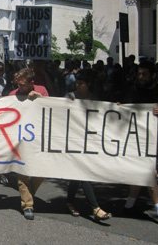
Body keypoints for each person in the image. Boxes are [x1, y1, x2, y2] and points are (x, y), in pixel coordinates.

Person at [122, 61, 158, 227]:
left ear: (153, 75)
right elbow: (125, 110)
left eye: (144, 74)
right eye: (139, 74)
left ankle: (129, 205)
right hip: (136, 138)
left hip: (153, 138)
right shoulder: (133, 89)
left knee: (144, 171)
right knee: (149, 171)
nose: (141, 77)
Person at [64, 69, 111, 221]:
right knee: (82, 172)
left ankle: (70, 202)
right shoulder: (69, 97)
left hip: (88, 142)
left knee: (77, 175)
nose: (78, 86)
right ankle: (95, 207)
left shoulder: (95, 99)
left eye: (81, 83)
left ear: (89, 84)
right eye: (77, 83)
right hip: (72, 141)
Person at [9, 68, 47, 220]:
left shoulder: (42, 91)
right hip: (20, 139)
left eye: (23, 85)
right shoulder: (13, 95)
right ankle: (28, 205)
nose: (20, 87)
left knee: (41, 171)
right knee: (22, 173)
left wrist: (40, 98)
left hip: (38, 138)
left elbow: (52, 109)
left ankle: (28, 195)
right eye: (18, 84)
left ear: (32, 83)